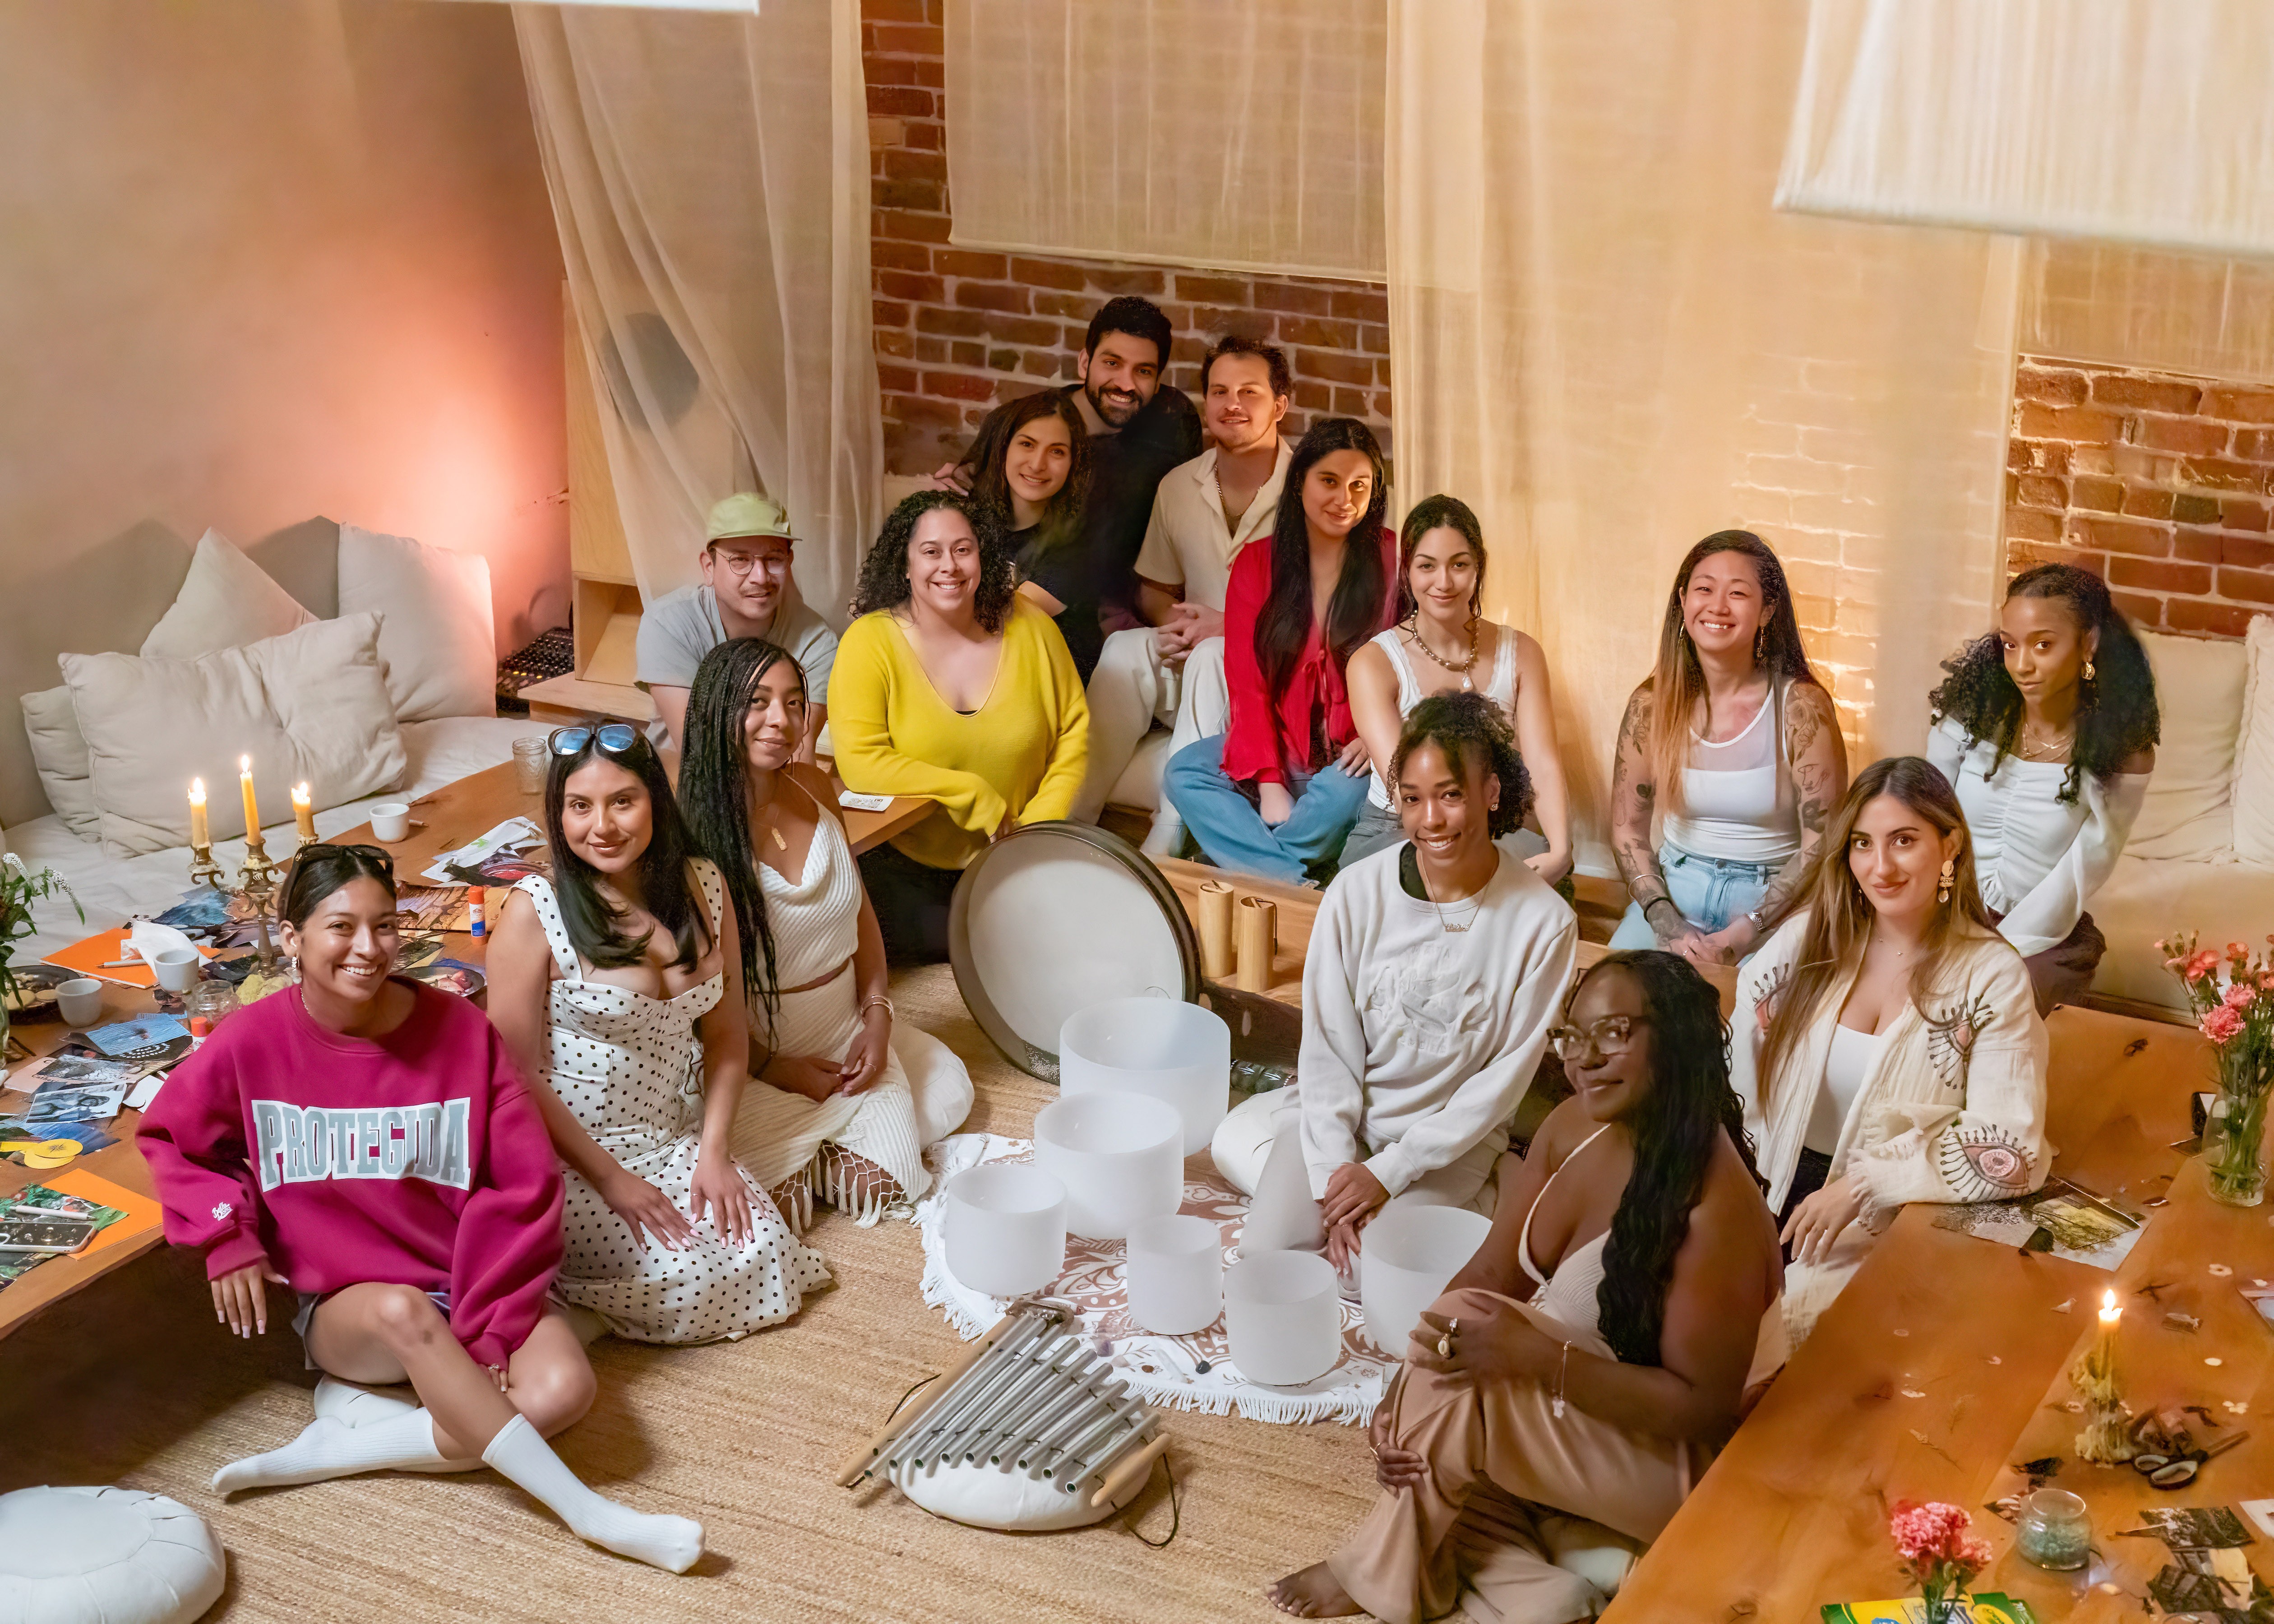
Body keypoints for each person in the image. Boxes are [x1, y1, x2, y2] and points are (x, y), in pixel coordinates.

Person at [139, 845, 704, 1573]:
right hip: (355, 1307)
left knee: (565, 1389)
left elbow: (523, 1186)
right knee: (406, 1312)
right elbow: (169, 1137)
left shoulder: (462, 1033)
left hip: (471, 1276)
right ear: (291, 938)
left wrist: (488, 1327)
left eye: (384, 925)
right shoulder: (251, 1041)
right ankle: (593, 1515)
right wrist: (227, 1235)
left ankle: (343, 1447)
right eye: (341, 927)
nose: (368, 949)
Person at [1268, 951, 1786, 1624]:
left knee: (1472, 1386)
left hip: (1693, 1469)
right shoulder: (1572, 1127)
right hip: (1605, 1417)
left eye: (1614, 1032)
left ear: (1679, 1036)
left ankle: (1381, 1574)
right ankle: (1544, 1594)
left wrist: (1538, 1359)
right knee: (1455, 1361)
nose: (1584, 1058)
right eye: (1573, 1036)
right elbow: (1490, 1272)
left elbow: (1703, 1411)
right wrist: (1404, 1385)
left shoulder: (1715, 1210)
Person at [485, 722, 827, 1344]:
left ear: (655, 801)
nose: (602, 826)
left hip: (672, 1133)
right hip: (568, 1157)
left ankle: (596, 1305)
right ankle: (563, 1304)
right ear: (558, 814)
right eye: (579, 806)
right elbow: (513, 1074)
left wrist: (714, 1151)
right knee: (693, 1276)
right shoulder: (534, 910)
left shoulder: (705, 884)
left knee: (768, 1251)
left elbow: (727, 1037)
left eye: (623, 800)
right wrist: (614, 1182)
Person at [1213, 694, 1577, 1262]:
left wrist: (1388, 1173)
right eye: (1412, 799)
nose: (1430, 819)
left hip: (1446, 1148)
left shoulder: (1545, 923)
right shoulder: (1355, 893)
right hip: (1349, 1129)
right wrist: (1337, 1179)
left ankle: (1501, 1187)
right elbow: (1329, 1048)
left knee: (1368, 1273)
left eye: (1451, 795)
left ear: (1491, 792)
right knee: (1270, 1255)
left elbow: (1500, 1083)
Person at [1733, 756, 2049, 1344]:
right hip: (1761, 1189)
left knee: (1779, 1350)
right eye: (1862, 843)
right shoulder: (1809, 939)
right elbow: (1735, 1070)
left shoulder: (1991, 975)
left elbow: (2011, 1144)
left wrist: (1862, 1184)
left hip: (1887, 1218)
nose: (1880, 867)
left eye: (1904, 840)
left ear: (1949, 843)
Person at [679, 637, 975, 1223]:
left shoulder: (815, 785)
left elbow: (860, 910)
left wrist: (879, 1012)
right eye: (757, 702)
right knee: (775, 1215)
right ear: (718, 710)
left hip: (842, 1033)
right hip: (752, 1055)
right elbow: (694, 996)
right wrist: (774, 1066)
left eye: (794, 702)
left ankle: (828, 1150)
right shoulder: (695, 830)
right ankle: (797, 1157)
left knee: (886, 1184)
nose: (780, 720)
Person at [829, 491, 1090, 960]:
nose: (948, 565)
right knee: (985, 946)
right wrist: (969, 793)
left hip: (1021, 854)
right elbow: (862, 762)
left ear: (983, 557)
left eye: (963, 549)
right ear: (905, 565)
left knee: (1078, 934)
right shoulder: (868, 642)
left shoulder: (1031, 626)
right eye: (930, 551)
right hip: (908, 865)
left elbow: (1074, 732)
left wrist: (1036, 829)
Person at [1075, 335, 1296, 842]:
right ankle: (1068, 821)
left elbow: (1328, 611)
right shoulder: (1178, 485)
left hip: (1272, 678)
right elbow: (1156, 587)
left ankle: (1170, 834)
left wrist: (1231, 628)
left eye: (1249, 393)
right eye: (1219, 392)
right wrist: (1175, 623)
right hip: (1197, 661)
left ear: (1280, 405)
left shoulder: (1310, 491)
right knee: (1125, 648)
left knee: (1214, 654)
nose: (1231, 404)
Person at [1163, 417, 1398, 886]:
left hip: (1353, 754)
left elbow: (1414, 660)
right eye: (1329, 481)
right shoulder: (1257, 562)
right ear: (1300, 483)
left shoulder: (1395, 560)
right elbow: (1247, 683)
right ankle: (1298, 883)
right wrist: (1270, 782)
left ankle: (1258, 868)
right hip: (1281, 746)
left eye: (1359, 485)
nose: (1344, 500)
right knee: (1185, 770)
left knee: (1347, 791)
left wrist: (1379, 735)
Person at [1925, 563, 2159, 1016]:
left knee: (1991, 1009)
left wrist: (1998, 952)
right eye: (2010, 644)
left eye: (2044, 644)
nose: (2022, 665)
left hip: (2038, 934)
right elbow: (1927, 818)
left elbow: (2081, 871)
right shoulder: (1970, 714)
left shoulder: (2119, 753)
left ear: (2088, 642)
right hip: (1943, 906)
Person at [1608, 531, 1848, 964]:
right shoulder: (1650, 706)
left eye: (1738, 593)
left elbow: (1824, 841)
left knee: (1758, 1024)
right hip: (1673, 898)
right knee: (1606, 1002)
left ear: (1767, 610)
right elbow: (1628, 829)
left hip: (1775, 911)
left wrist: (1746, 930)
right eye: (1704, 589)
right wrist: (1666, 921)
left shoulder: (1802, 708)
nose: (1718, 606)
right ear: (1683, 601)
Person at [1341, 494, 1573, 879]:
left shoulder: (1523, 653)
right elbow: (1407, 789)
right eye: (1427, 566)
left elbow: (1543, 765)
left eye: (1459, 565)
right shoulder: (1372, 663)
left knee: (1544, 890)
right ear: (1407, 571)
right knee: (1456, 891)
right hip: (1396, 830)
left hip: (1497, 828)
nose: (1444, 582)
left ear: (1479, 566)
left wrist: (1561, 851)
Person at [936, 294, 1202, 623]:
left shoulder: (1171, 427)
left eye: (1143, 371)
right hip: (1015, 597)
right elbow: (971, 515)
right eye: (1112, 363)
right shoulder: (1016, 422)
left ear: (1158, 381)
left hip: (1106, 608)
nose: (1125, 383)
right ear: (1085, 363)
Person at [638, 492, 841, 759]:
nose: (760, 577)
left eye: (774, 559)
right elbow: (697, 755)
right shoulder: (670, 624)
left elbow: (799, 755)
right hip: (678, 786)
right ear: (709, 567)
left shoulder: (815, 641)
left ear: (789, 562)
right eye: (740, 560)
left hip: (774, 788)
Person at [964, 390, 1102, 683]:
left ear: (1073, 463)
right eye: (1027, 444)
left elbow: (1000, 622)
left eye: (1057, 451)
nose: (1038, 464)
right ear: (1004, 449)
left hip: (1048, 686)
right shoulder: (973, 522)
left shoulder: (1079, 542)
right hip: (983, 675)